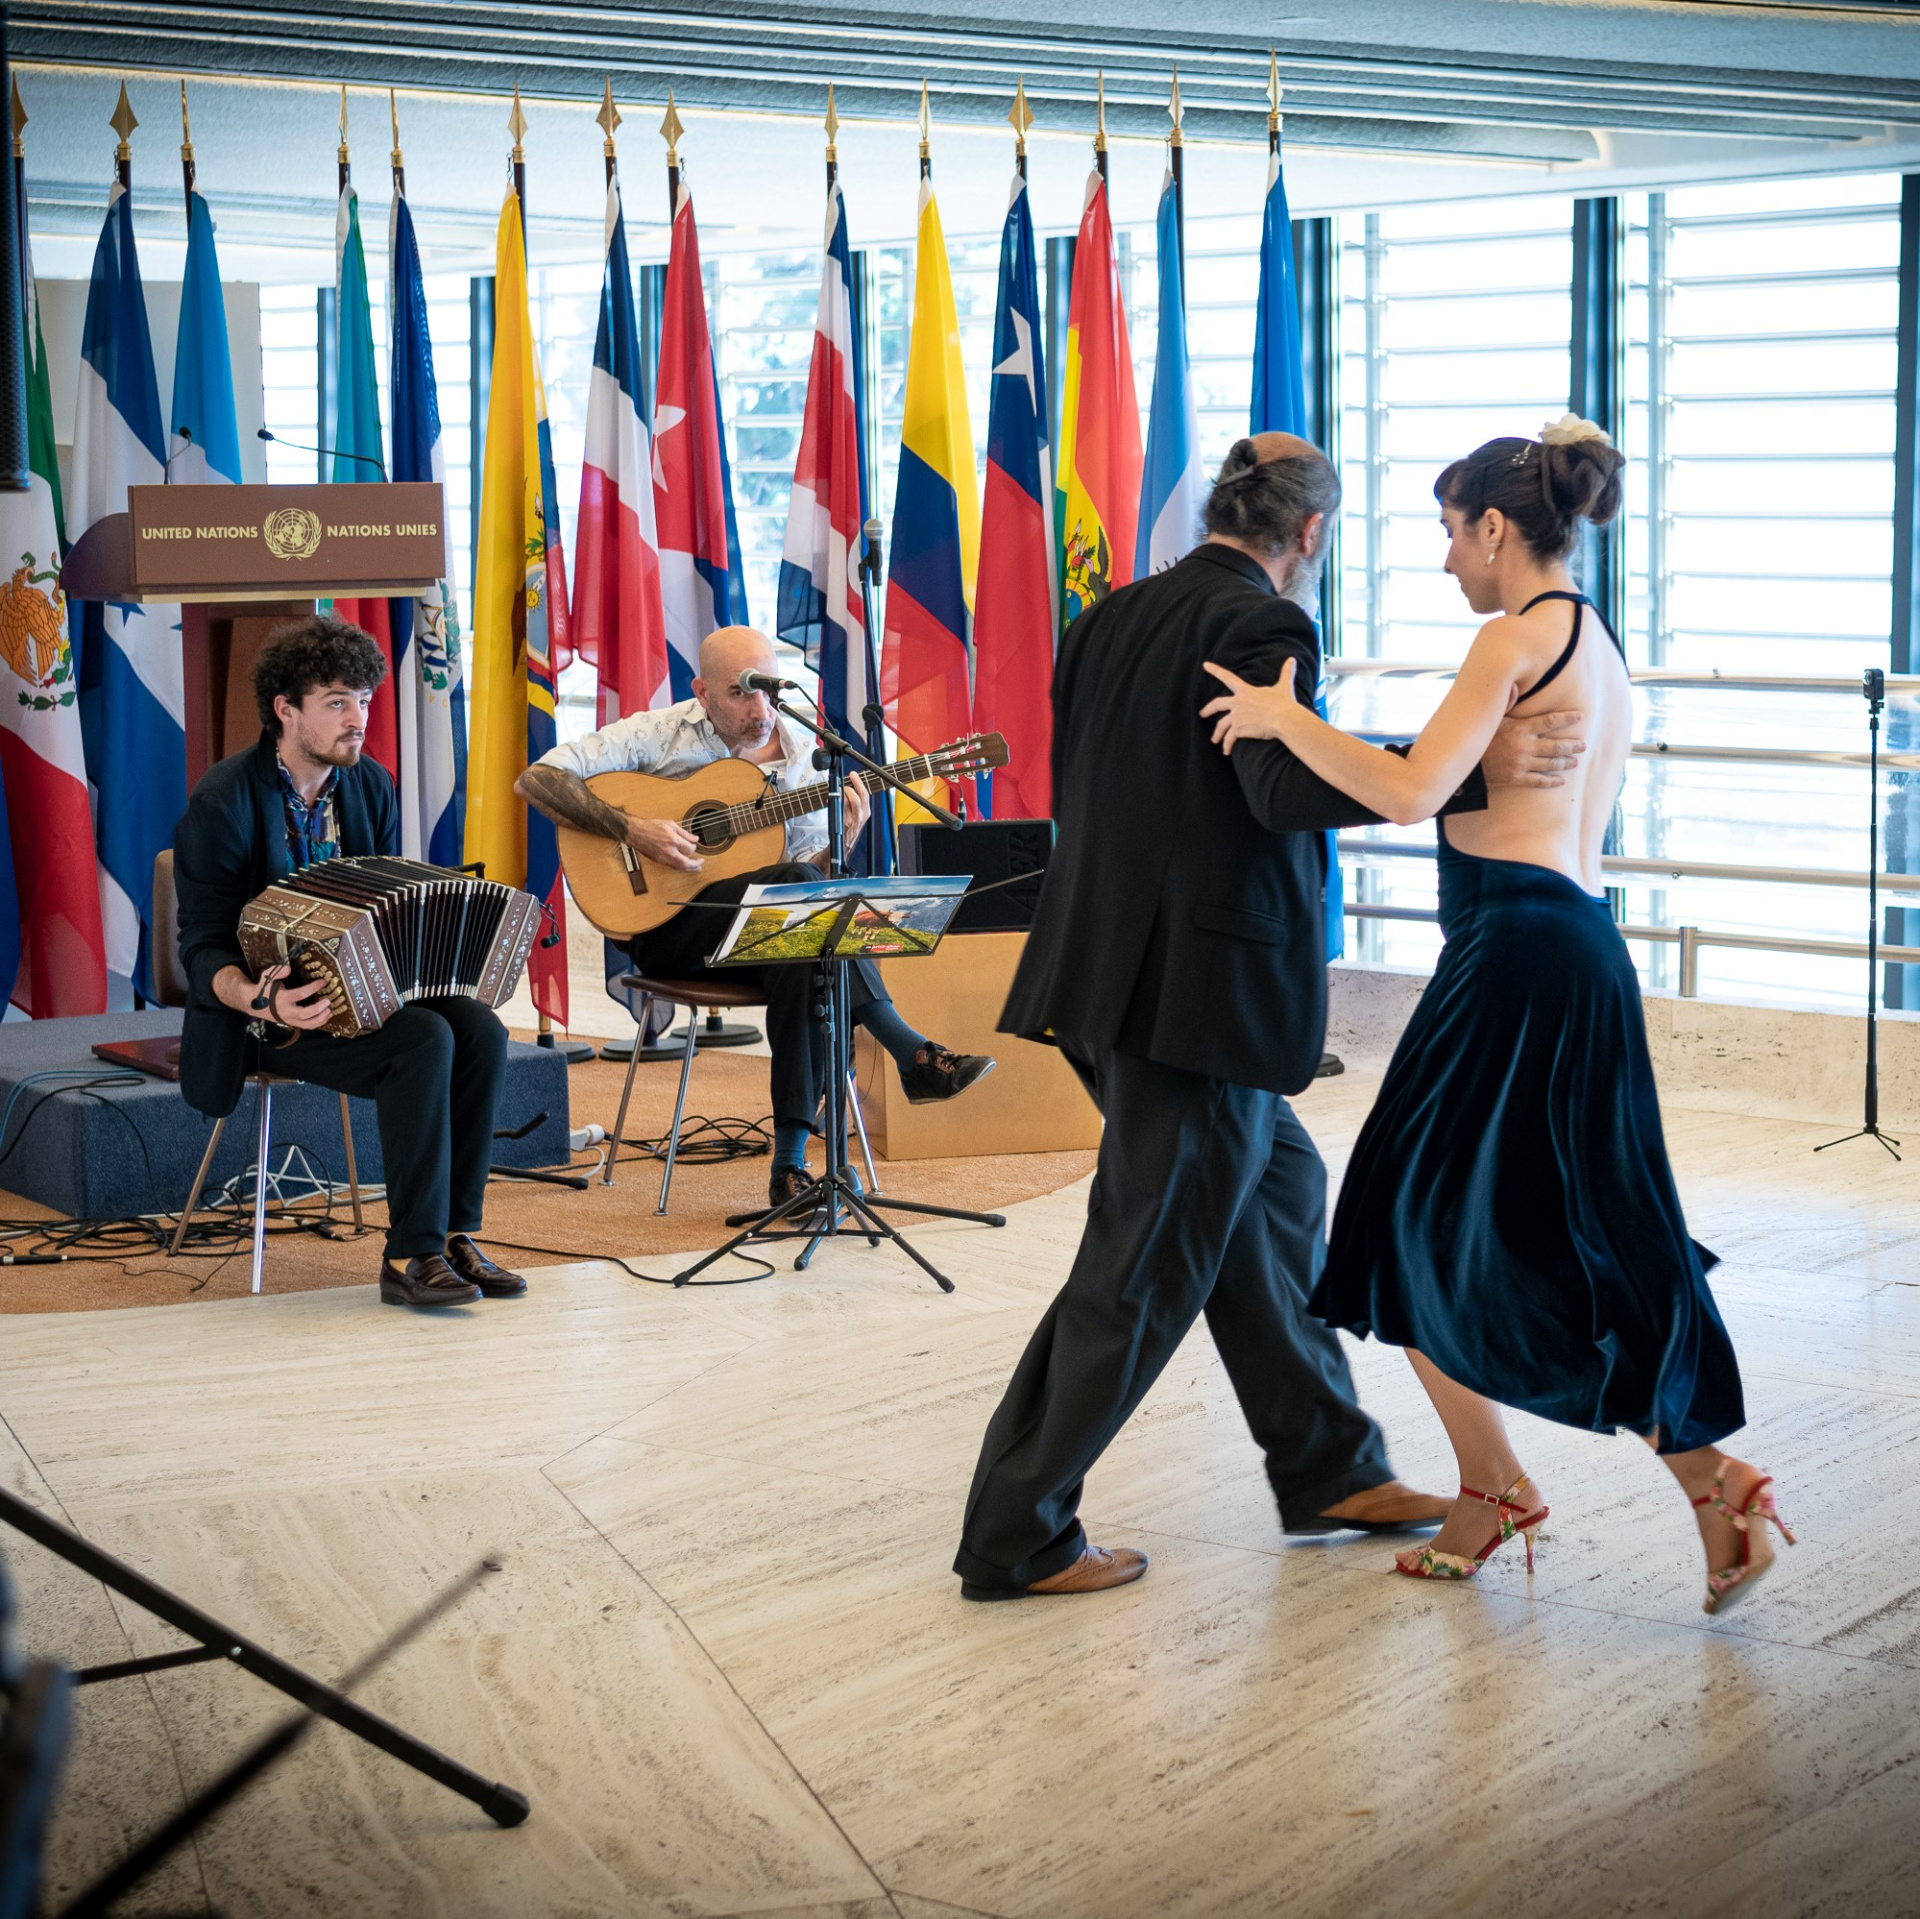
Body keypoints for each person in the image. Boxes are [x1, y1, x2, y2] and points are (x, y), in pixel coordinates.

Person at [951, 432, 1594, 1601]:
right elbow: (1282, 788)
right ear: (1308, 535)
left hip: (1102, 981)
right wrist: (1461, 756)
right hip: (1199, 1003)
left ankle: (1330, 1464)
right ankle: (1018, 1530)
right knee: (1143, 1263)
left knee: (1276, 1195)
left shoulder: (1108, 616)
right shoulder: (1264, 626)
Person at [1201, 418, 1787, 1617]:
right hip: (1572, 951)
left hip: (1514, 954)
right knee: (1574, 1228)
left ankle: (1549, 1482)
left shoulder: (1508, 637)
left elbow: (1415, 787)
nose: (1446, 559)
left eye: (1449, 533)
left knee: (1396, 1225)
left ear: (1496, 527)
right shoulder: (1594, 641)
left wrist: (1284, 719)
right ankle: (1631, 1484)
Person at [516, 625, 993, 1213]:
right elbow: (537, 779)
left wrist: (841, 840)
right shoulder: (658, 734)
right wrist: (634, 828)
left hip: (763, 936)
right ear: (703, 691)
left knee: (803, 933)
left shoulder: (807, 760)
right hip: (666, 926)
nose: (760, 710)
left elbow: (808, 881)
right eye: (741, 694)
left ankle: (789, 1170)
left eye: (768, 691)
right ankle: (909, 1050)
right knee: (798, 905)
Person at [173, 617, 527, 1310]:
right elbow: (201, 945)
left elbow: (387, 896)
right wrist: (261, 999)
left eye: (363, 699)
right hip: (270, 1016)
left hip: (368, 995)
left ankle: (453, 1234)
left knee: (480, 1027)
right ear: (286, 709)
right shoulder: (223, 801)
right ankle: (409, 1252)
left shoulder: (369, 786)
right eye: (337, 701)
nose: (358, 718)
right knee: (425, 1039)